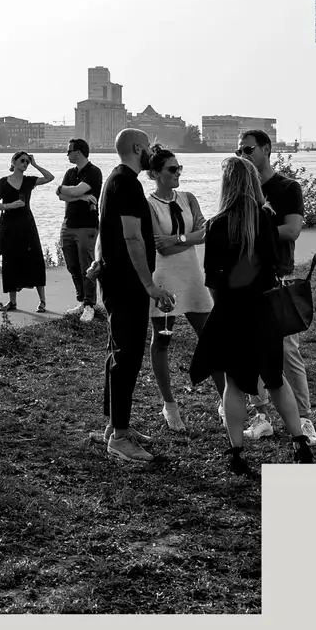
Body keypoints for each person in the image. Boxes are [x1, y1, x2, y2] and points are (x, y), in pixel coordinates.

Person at [192, 156, 312, 476]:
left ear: (227, 184)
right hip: (264, 312)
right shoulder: (266, 218)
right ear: (252, 183)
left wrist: (226, 304)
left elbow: (212, 281)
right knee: (275, 379)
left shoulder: (216, 224)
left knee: (235, 384)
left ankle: (236, 453)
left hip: (232, 313)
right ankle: (299, 442)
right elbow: (276, 268)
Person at [236, 128, 316, 446]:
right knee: (248, 353)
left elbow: (292, 230)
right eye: (239, 152)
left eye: (248, 150)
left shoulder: (287, 187)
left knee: (288, 353)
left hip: (278, 278)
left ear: (266, 150)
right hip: (243, 280)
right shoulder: (240, 189)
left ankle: (304, 420)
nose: (243, 156)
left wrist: (252, 229)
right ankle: (260, 416)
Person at [94, 128, 174, 463]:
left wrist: (98, 259)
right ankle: (121, 437)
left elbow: (104, 227)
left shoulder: (115, 179)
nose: (151, 151)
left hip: (118, 279)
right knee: (127, 357)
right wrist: (150, 285)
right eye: (148, 146)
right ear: (137, 148)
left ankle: (115, 426)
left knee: (119, 352)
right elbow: (132, 238)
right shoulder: (126, 182)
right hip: (127, 283)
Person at [144, 144, 211, 431]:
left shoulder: (189, 198)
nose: (177, 173)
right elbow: (159, 246)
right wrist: (186, 238)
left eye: (179, 168)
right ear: (155, 173)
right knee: (162, 340)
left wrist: (177, 240)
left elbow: (204, 233)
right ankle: (169, 405)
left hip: (193, 277)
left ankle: (225, 402)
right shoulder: (148, 204)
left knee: (210, 338)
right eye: (172, 169)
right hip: (165, 279)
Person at [0, 151, 53, 312]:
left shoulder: (29, 181)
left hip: (27, 225)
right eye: (22, 160)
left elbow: (49, 177)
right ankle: (12, 302)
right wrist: (10, 206)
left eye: (27, 161)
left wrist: (35, 164)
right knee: (10, 261)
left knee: (36, 259)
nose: (25, 163)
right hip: (9, 225)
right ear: (14, 161)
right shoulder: (3, 182)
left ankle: (42, 301)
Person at [54, 138, 103, 322]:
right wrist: (81, 198)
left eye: (69, 151)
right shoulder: (69, 173)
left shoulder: (94, 172)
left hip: (87, 226)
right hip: (68, 225)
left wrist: (68, 192)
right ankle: (82, 301)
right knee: (72, 265)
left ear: (79, 152)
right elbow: (61, 196)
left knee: (87, 266)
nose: (67, 154)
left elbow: (71, 192)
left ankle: (90, 305)